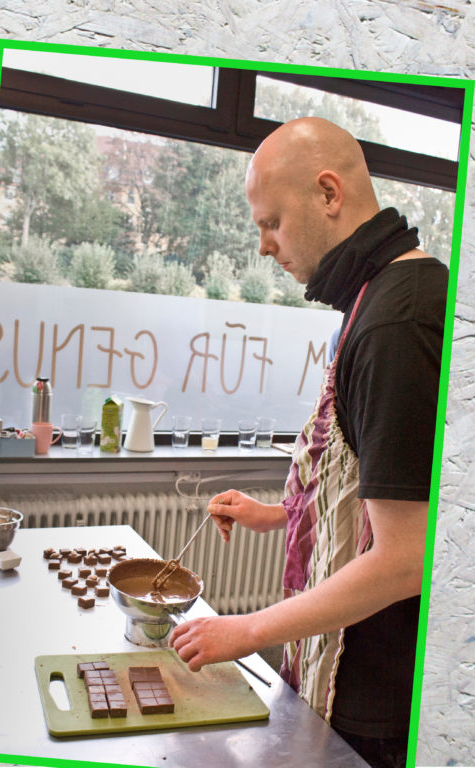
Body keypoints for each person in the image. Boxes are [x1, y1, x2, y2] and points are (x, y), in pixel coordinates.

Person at [169, 117, 445, 768]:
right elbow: (378, 486)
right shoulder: (374, 299)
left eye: (271, 223)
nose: (265, 246)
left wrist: (250, 629)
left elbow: (408, 557)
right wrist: (276, 514)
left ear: (328, 194)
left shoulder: (395, 322)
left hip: (374, 691)